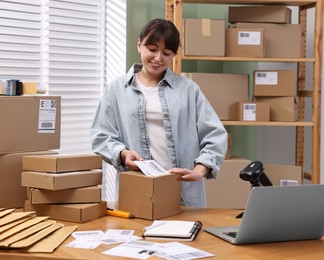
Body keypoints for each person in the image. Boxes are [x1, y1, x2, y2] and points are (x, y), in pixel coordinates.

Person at [90, 18, 227, 207]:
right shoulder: (116, 89)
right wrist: (122, 153)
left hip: (184, 194)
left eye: (166, 53)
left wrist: (200, 170)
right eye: (152, 49)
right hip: (137, 191)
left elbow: (216, 134)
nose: (158, 58)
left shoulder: (189, 90)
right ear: (139, 45)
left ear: (173, 56)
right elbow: (101, 135)